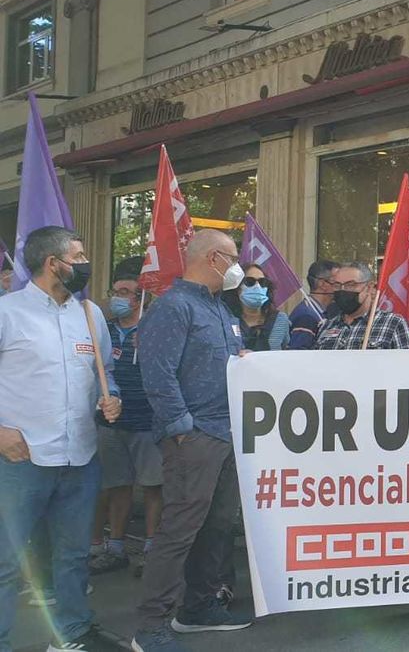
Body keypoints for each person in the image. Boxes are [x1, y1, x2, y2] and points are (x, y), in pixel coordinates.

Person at [0, 226, 122, 652]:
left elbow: (105, 374)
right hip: (21, 461)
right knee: (7, 562)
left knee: (73, 556)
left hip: (80, 458)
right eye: (79, 255)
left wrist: (111, 399)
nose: (86, 263)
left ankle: (71, 634)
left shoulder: (89, 314)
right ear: (54, 263)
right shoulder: (7, 312)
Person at [131, 230, 251, 652]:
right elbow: (157, 373)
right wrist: (181, 427)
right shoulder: (173, 307)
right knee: (178, 531)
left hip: (226, 433)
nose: (238, 267)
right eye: (233, 258)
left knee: (217, 526)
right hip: (195, 437)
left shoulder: (219, 308)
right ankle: (151, 626)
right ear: (213, 258)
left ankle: (198, 608)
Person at [90, 260, 163, 578]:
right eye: (115, 291)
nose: (118, 297)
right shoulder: (103, 330)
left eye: (125, 292)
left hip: (147, 421)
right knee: (116, 485)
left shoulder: (153, 330)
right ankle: (115, 547)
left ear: (140, 298)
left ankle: (151, 551)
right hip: (110, 423)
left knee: (153, 486)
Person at [312, 262, 409, 350]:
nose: (343, 290)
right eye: (337, 285)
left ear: (369, 287)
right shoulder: (326, 326)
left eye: (350, 285)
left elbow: (407, 363)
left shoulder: (393, 324)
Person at [223, 265, 290, 351]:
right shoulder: (226, 319)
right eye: (249, 282)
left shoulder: (280, 319)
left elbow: (284, 350)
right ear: (238, 288)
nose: (257, 286)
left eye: (262, 282)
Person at [287, 259, 338, 349]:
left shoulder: (321, 311)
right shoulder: (307, 316)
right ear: (323, 284)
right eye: (337, 282)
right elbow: (298, 353)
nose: (342, 286)